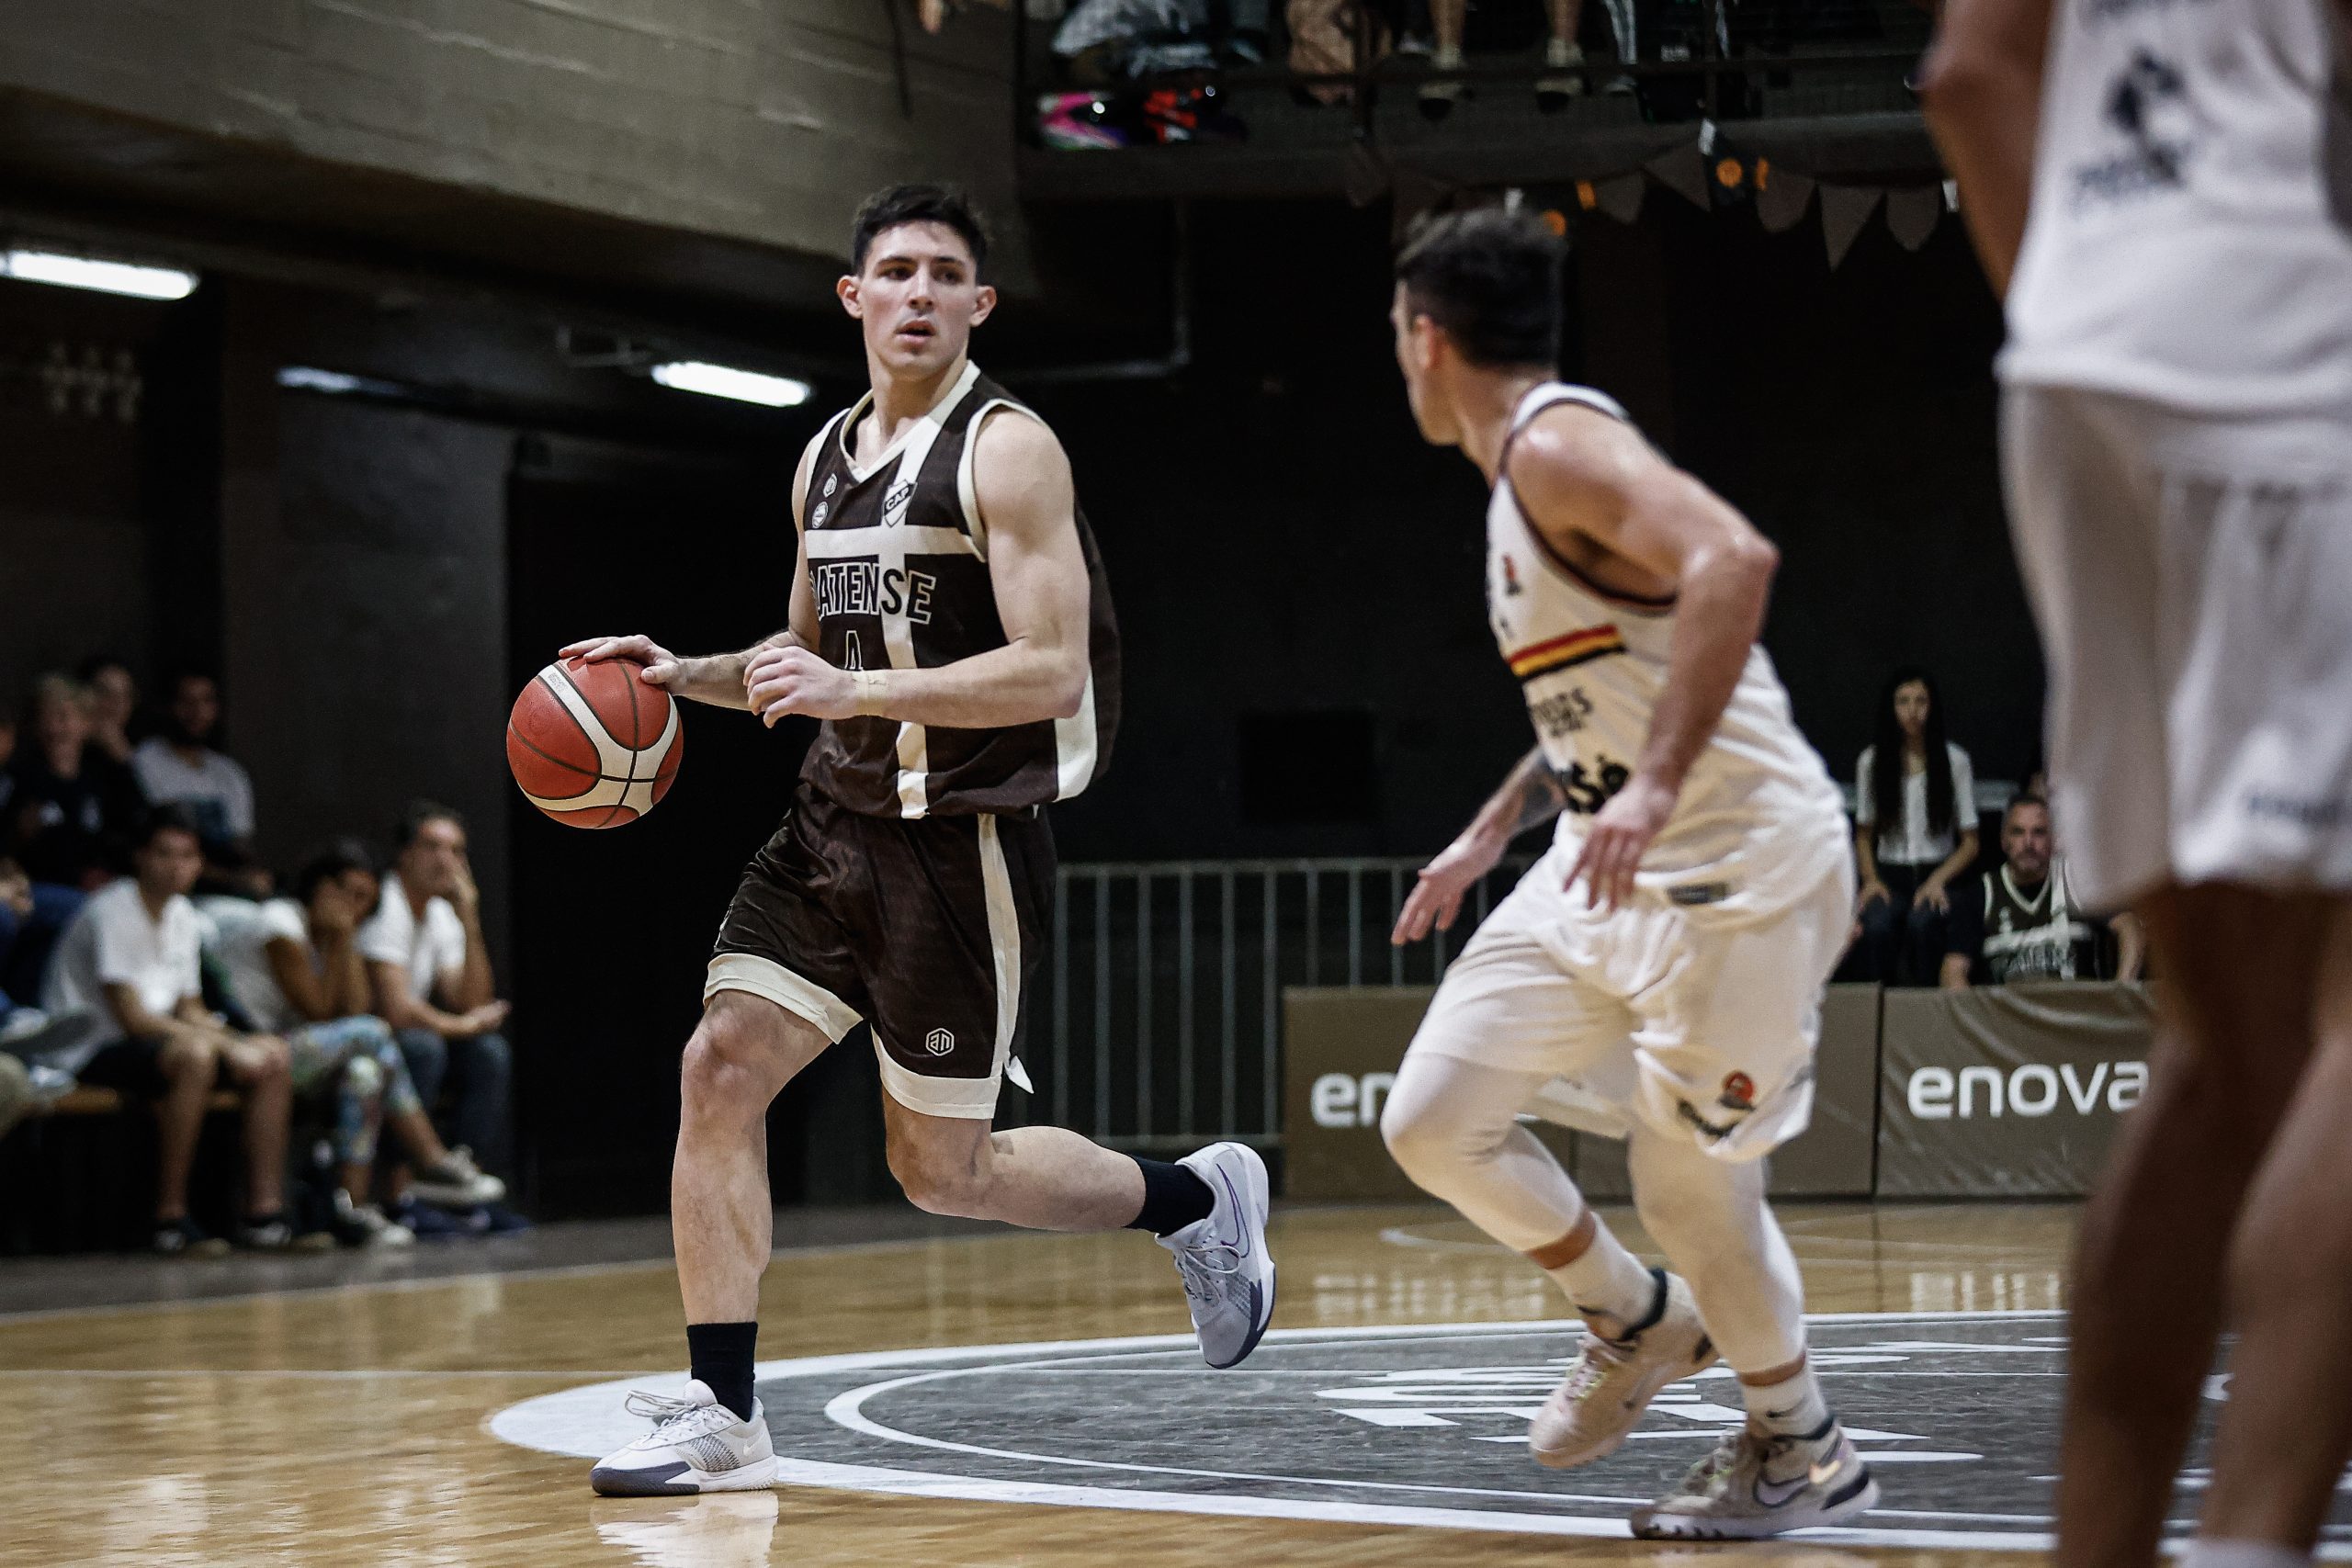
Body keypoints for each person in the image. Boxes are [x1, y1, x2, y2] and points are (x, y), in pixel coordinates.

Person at [566, 182, 1274, 1498]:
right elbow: (800, 657)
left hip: (962, 843)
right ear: (854, 295)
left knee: (943, 1173)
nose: (919, 294)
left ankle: (1195, 1200)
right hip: (830, 825)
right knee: (718, 1066)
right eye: (896, 271)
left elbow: (1053, 667)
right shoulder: (822, 459)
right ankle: (725, 1411)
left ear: (979, 304)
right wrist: (683, 673)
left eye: (946, 275)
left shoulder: (1009, 451)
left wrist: (858, 690)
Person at [1924, 5, 2352, 1568]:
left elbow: (1969, 75)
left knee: (2231, 1047)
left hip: (2076, 360)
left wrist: (2102, 333)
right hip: (2296, 358)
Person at [1374, 207, 1872, 1538]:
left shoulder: (1556, 445)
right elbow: (1586, 707)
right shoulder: (1523, 479)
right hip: (1599, 867)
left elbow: (1734, 558)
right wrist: (1493, 826)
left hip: (1739, 870)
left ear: (1426, 341)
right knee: (1432, 1118)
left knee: (1690, 1187)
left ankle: (1800, 1445)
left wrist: (1651, 786)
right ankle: (1637, 1316)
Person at [202, 840, 504, 1245]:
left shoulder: (335, 932)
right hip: (244, 1046)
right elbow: (320, 1011)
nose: (355, 908)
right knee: (372, 1033)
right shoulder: (280, 923)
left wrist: (343, 939)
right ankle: (431, 1158)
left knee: (365, 1071)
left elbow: (354, 1007)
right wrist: (343, 937)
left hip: (289, 1051)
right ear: (321, 887)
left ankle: (351, 1207)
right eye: (348, 893)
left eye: (365, 900)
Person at [40, 807, 304, 1256]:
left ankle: (264, 1214)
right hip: (88, 1047)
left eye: (187, 856)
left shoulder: (182, 914)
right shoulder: (113, 910)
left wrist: (239, 1042)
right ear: (140, 857)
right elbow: (133, 1019)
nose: (176, 866)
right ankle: (169, 1218)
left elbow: (190, 1007)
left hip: (154, 1042)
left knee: (273, 1055)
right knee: (195, 1057)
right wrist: (222, 1046)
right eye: (164, 854)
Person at [359, 802, 514, 1189]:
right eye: (432, 847)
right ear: (405, 853)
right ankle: (399, 1186)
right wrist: (463, 1027)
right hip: (368, 1037)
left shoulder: (441, 912)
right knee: (423, 1048)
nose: (446, 860)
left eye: (456, 851)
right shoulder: (385, 902)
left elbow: (470, 1000)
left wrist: (470, 918)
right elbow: (395, 1010)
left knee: (489, 1053)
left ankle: (461, 1175)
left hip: (411, 1033)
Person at [1852, 668, 1979, 985]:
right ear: (1891, 707)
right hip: (1890, 875)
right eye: (1903, 701)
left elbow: (1970, 842)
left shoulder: (1955, 760)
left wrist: (1937, 880)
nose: (1912, 711)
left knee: (1923, 925)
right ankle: (1879, 1006)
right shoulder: (1871, 761)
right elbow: (1864, 835)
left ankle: (1926, 1007)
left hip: (1938, 871)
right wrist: (1871, 880)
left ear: (1932, 706)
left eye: (1921, 701)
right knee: (1876, 927)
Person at [1939, 795, 2144, 988]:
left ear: (2053, 839)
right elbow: (1952, 972)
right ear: (2003, 840)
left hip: (2078, 1009)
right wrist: (1976, 1014)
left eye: (2039, 832)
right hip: (2007, 1013)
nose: (2028, 843)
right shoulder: (1981, 894)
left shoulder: (2077, 881)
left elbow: (2130, 928)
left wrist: (2121, 990)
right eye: (2018, 832)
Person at [6, 673, 146, 889]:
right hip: (37, 888)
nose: (53, 728)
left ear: (86, 723)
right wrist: (19, 834)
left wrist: (122, 760)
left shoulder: (103, 775)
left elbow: (136, 824)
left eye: (63, 717)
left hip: (102, 887)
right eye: (44, 717)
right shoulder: (20, 777)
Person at [131, 671, 263, 894]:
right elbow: (160, 848)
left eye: (206, 701)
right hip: (171, 888)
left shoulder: (230, 773)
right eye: (187, 701)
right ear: (168, 706)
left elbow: (241, 845)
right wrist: (230, 879)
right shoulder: (146, 761)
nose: (197, 712)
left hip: (228, 890)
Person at [77, 655, 139, 768]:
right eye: (105, 692)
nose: (117, 703)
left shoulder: (143, 748)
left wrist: (126, 758)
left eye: (125, 695)